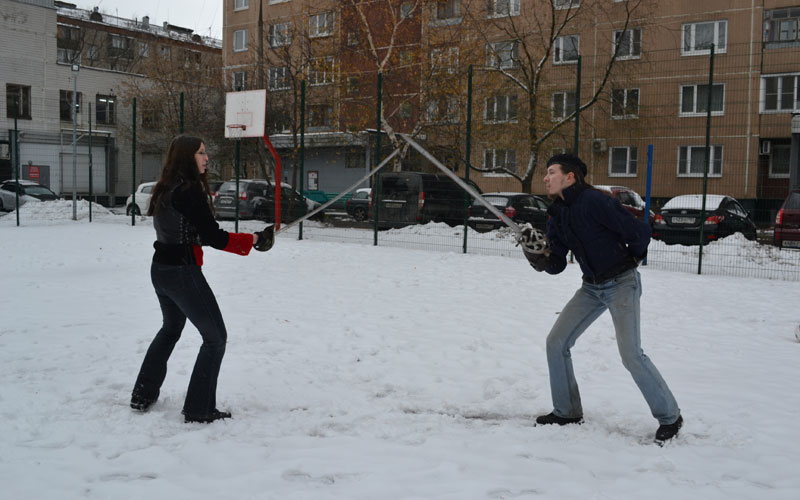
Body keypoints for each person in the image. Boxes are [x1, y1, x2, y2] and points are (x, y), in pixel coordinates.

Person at [518, 153, 682, 444]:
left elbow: (639, 231)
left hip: (621, 283)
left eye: (552, 172)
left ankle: (670, 417)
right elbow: (556, 264)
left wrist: (631, 258)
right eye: (545, 173)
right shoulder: (557, 213)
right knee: (556, 342)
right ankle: (567, 411)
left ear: (570, 177)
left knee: (631, 354)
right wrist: (537, 254)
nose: (545, 178)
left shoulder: (596, 201)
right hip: (591, 288)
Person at [130, 135, 274, 424]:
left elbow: (189, 233)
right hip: (183, 273)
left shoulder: (165, 188)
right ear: (187, 157)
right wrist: (255, 239)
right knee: (215, 338)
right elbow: (213, 237)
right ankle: (199, 408)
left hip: (161, 270)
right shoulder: (189, 190)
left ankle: (142, 394)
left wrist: (246, 239)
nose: (206, 158)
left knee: (170, 329)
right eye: (201, 153)